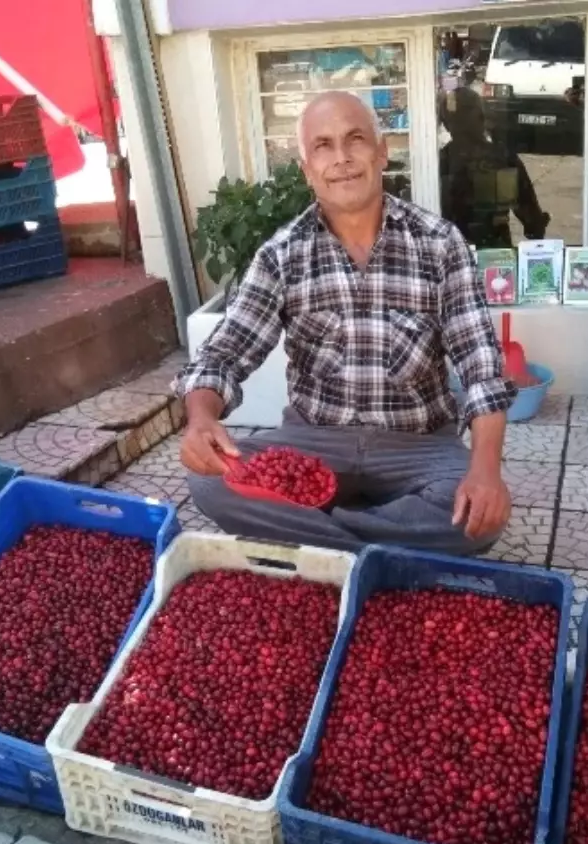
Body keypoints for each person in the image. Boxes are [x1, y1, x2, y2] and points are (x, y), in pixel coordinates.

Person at [173, 90, 515, 555]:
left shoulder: (439, 243)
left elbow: (481, 370)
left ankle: (322, 535)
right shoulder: (282, 254)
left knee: (477, 518)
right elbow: (223, 354)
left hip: (416, 445)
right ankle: (382, 540)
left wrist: (486, 470)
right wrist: (200, 420)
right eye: (323, 145)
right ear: (306, 169)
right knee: (210, 482)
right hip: (313, 440)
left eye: (355, 139)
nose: (342, 158)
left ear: (382, 152)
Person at [438, 87, 550, 249]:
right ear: (482, 118)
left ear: (446, 124)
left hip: (449, 252)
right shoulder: (503, 158)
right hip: (496, 254)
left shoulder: (439, 162)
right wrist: (537, 226)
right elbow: (532, 223)